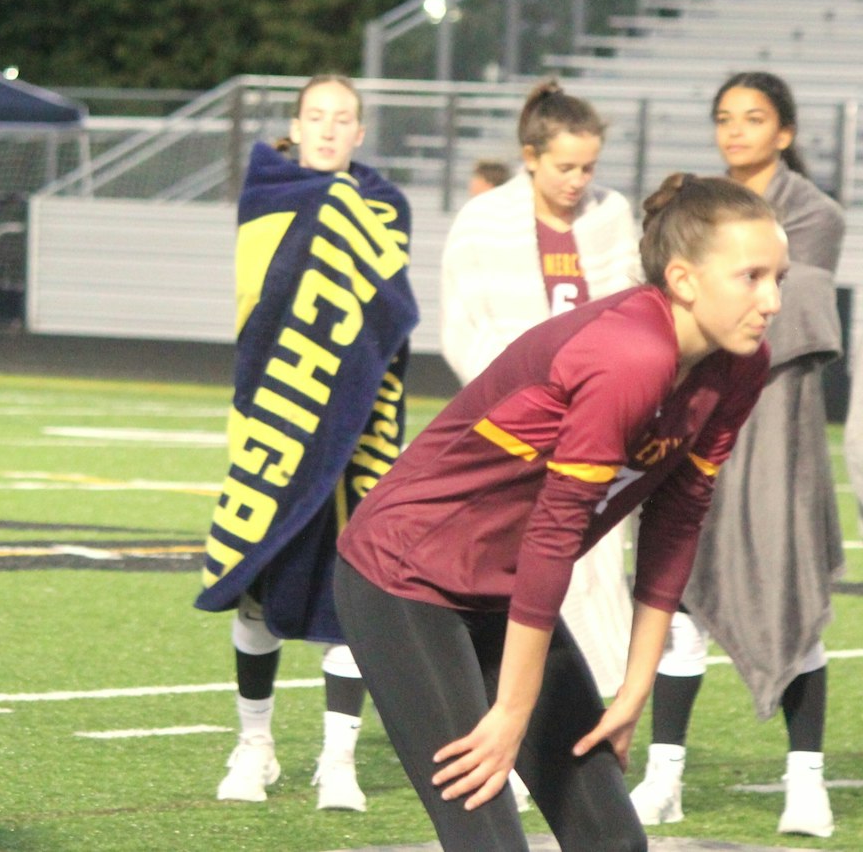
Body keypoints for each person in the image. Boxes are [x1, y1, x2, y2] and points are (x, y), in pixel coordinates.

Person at [336, 172, 784, 852]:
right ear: (685, 279)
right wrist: (512, 711)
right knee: (487, 838)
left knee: (613, 841)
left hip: (504, 593)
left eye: (778, 276)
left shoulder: (741, 365)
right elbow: (554, 533)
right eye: (751, 276)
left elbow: (676, 517)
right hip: (404, 578)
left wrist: (635, 687)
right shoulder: (631, 354)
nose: (772, 299)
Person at [629, 71, 844, 839]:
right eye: (724, 118)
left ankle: (806, 784)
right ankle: (664, 779)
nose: (736, 132)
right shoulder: (701, 206)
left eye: (753, 119)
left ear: (784, 132)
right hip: (698, 419)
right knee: (678, 600)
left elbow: (784, 313)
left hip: (777, 429)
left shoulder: (814, 213)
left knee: (792, 603)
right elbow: (666, 295)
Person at [196, 75, 419, 812]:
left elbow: (385, 316)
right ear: (295, 126)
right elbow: (258, 307)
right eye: (315, 117)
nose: (328, 129)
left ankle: (339, 759)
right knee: (256, 589)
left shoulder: (385, 206)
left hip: (354, 430)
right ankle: (254, 746)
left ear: (360, 133)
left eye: (342, 119)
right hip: (272, 418)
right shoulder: (266, 192)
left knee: (346, 597)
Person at [441, 80, 642, 709]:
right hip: (514, 434)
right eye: (564, 167)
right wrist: (516, 407)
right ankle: (515, 725)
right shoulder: (483, 221)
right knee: (516, 574)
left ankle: (599, 724)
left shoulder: (612, 216)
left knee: (600, 574)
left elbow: (635, 314)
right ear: (530, 156)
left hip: (596, 428)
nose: (578, 180)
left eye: (588, 167)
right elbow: (462, 326)